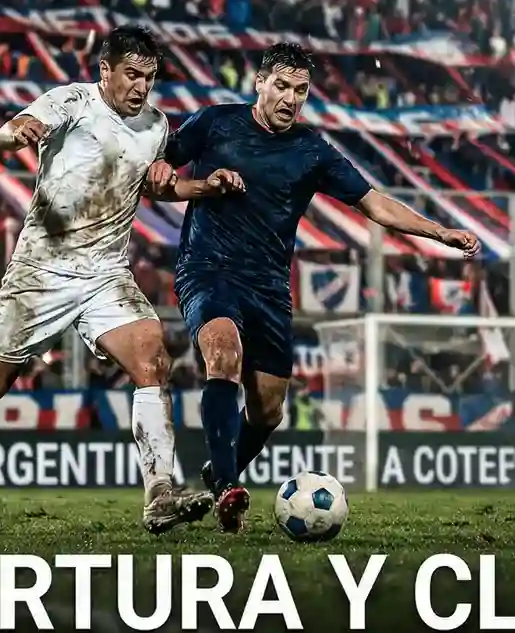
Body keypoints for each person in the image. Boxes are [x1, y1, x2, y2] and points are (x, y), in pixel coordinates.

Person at [0, 24, 233, 534]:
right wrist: (16, 135)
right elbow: (12, 129)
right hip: (41, 270)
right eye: (131, 75)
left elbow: (151, 188)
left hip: (105, 273)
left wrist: (201, 186)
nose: (140, 87)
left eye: (150, 77)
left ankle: (160, 493)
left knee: (153, 359)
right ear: (105, 71)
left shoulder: (157, 126)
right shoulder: (71, 102)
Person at [165, 42, 481, 531]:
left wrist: (439, 232)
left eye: (302, 90)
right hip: (208, 268)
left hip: (269, 286)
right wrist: (167, 175)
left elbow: (374, 204)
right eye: (283, 86)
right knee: (222, 354)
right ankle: (227, 487)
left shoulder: (311, 151)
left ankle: (219, 470)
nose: (291, 98)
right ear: (260, 83)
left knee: (268, 411)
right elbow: (159, 164)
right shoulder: (214, 123)